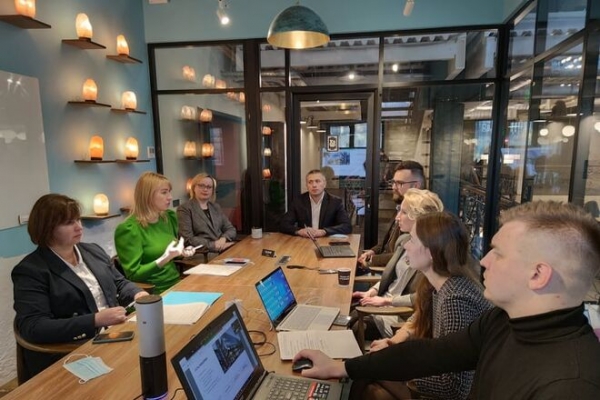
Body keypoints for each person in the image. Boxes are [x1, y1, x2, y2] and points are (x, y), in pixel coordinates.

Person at [294, 201, 600, 399]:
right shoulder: (503, 320)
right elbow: (429, 354)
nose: (484, 262)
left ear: (538, 275)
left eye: (499, 254)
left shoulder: (571, 386)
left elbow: (448, 383)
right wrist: (342, 367)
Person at [12, 194, 149, 381]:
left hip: (115, 335)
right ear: (47, 228)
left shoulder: (93, 250)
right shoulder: (31, 270)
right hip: (74, 352)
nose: (79, 227)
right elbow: (34, 327)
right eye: (69, 223)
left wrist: (137, 294)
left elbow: (119, 282)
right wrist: (95, 320)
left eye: (78, 219)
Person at [362, 212, 491, 399]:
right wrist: (393, 343)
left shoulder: (456, 299)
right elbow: (419, 316)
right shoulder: (439, 283)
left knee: (366, 376)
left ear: (431, 251)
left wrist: (402, 370)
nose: (405, 245)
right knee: (371, 388)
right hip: (437, 376)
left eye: (412, 240)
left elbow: (455, 387)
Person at [352, 189, 444, 338]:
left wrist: (386, 301)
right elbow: (392, 277)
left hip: (397, 315)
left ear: (419, 217)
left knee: (355, 327)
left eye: (403, 212)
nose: (397, 217)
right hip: (381, 303)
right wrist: (372, 292)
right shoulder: (404, 241)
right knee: (347, 315)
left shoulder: (430, 253)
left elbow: (425, 297)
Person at [115, 172, 194, 294]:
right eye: (164, 192)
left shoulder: (169, 217)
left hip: (177, 283)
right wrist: (165, 258)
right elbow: (133, 275)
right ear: (147, 195)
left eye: (169, 192)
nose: (170, 197)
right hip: (152, 292)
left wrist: (182, 252)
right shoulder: (129, 229)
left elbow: (171, 253)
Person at [357, 161, 425, 270]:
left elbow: (402, 255)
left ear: (416, 185)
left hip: (390, 272)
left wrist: (371, 260)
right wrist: (372, 251)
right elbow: (387, 242)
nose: (393, 187)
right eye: (393, 182)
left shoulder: (420, 216)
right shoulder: (401, 207)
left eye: (399, 183)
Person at [280, 169, 351, 237]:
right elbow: (283, 224)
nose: (314, 185)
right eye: (310, 182)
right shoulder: (298, 201)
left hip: (326, 240)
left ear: (324, 184)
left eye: (317, 181)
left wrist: (324, 231)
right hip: (305, 240)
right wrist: (299, 231)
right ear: (307, 185)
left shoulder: (335, 202)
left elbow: (347, 226)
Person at [177, 173, 236, 253]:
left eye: (209, 187)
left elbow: (231, 229)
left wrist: (223, 239)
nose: (205, 189)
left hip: (222, 248)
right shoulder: (185, 209)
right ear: (194, 188)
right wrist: (214, 245)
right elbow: (188, 239)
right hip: (202, 254)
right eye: (201, 186)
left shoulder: (216, 207)